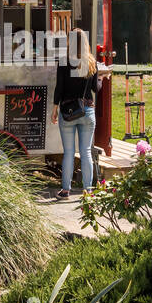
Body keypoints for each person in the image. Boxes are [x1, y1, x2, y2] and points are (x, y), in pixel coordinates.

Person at [51, 28, 109, 197]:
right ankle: (88, 190)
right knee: (85, 152)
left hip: (68, 112)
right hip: (87, 111)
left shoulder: (63, 61)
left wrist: (55, 108)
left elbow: (59, 88)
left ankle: (65, 189)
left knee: (69, 152)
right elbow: (95, 89)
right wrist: (100, 79)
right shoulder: (90, 62)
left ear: (69, 42)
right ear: (85, 42)